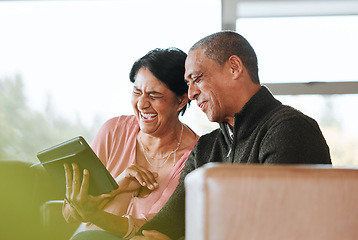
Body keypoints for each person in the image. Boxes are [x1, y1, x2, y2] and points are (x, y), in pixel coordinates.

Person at [75, 31, 332, 240]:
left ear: (234, 68)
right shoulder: (208, 148)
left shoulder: (289, 130)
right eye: (188, 83)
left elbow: (275, 228)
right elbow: (164, 228)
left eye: (197, 78)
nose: (192, 92)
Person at [64, 47, 199, 239]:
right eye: (137, 92)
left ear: (181, 101)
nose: (142, 104)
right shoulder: (113, 131)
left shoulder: (195, 156)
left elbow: (154, 230)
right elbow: (70, 213)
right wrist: (118, 185)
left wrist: (93, 213)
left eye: (154, 95)